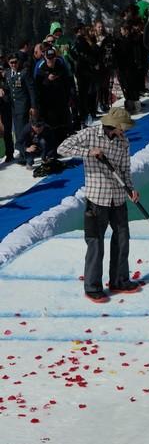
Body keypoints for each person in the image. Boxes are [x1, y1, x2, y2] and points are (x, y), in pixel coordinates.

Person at [57, 107, 140, 303]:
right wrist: (88, 152)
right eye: (123, 127)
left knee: (122, 238)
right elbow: (62, 148)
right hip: (97, 197)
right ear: (116, 125)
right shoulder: (90, 133)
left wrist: (131, 189)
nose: (125, 131)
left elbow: (125, 168)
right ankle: (92, 286)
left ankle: (119, 280)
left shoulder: (123, 141)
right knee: (96, 243)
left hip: (118, 197)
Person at [4, 54, 37, 164]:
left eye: (15, 62)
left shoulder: (24, 72)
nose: (13, 64)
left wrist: (33, 106)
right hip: (13, 107)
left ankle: (27, 156)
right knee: (17, 132)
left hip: (23, 106)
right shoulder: (8, 73)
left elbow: (31, 90)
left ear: (18, 62)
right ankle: (23, 153)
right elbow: (8, 88)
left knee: (22, 131)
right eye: (11, 62)